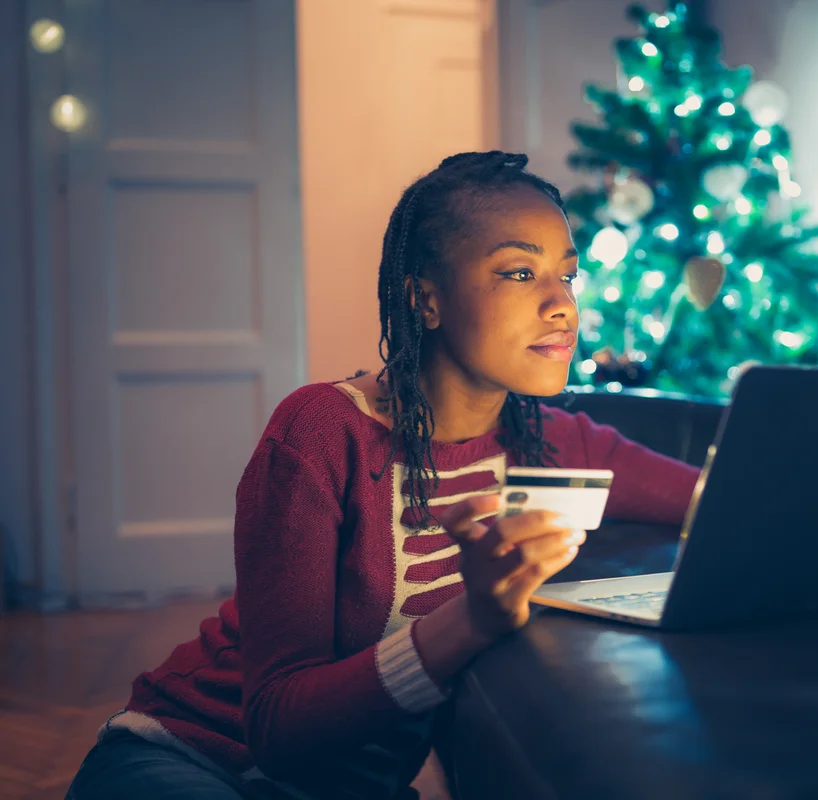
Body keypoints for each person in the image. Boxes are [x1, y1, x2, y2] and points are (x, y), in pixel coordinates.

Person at [66, 151, 700, 799]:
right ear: (426, 298)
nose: (562, 306)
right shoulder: (321, 432)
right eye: (519, 272)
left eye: (567, 276)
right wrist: (473, 618)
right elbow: (277, 729)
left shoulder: (557, 441)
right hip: (191, 762)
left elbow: (718, 502)